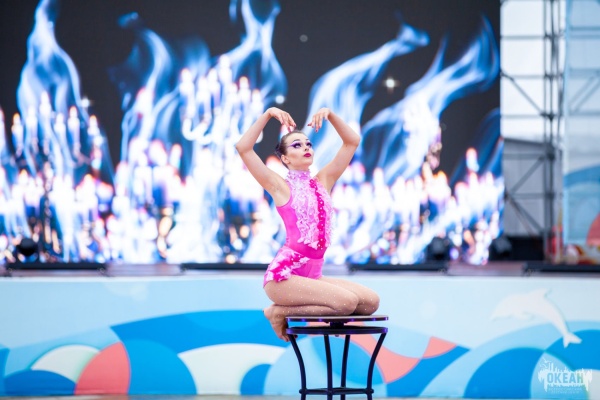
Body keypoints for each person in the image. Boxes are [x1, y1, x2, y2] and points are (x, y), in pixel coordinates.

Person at [235, 106, 380, 341]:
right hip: (284, 277)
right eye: (297, 145)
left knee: (370, 302)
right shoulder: (279, 186)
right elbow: (243, 148)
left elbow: (352, 141)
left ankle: (279, 311)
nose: (305, 148)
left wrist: (330, 114)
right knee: (346, 303)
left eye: (308, 144)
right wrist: (268, 114)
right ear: (284, 158)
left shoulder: (324, 180)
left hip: (313, 277)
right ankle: (278, 312)